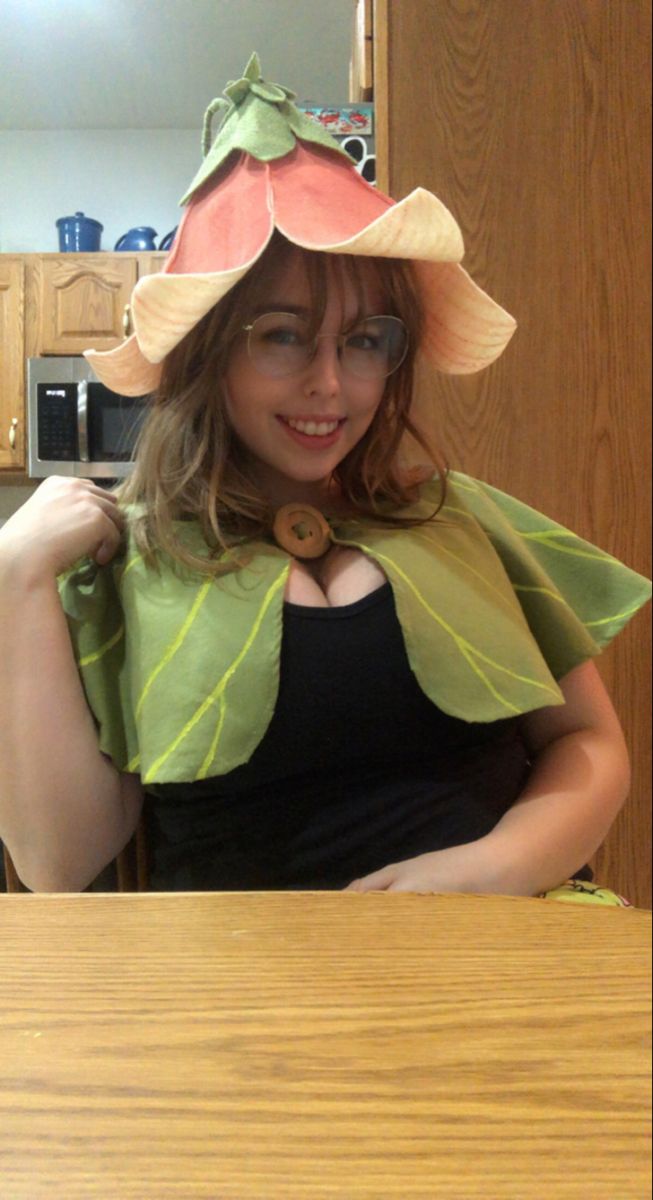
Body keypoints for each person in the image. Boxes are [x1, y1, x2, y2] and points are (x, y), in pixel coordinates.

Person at [0, 55, 650, 900]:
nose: (331, 383)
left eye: (365, 339)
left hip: (514, 951)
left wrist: (491, 869)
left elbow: (589, 743)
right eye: (282, 334)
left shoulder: (459, 518)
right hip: (246, 998)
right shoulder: (120, 563)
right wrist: (14, 580)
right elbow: (58, 864)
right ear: (207, 351)